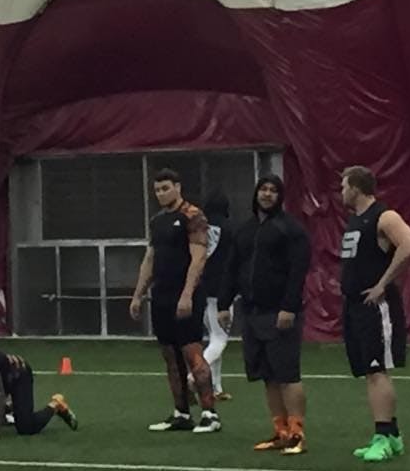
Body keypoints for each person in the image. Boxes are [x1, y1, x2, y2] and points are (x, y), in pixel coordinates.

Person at [217, 174, 310, 455]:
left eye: (273, 190)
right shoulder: (244, 230)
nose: (267, 194)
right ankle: (280, 431)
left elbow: (298, 270)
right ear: (256, 193)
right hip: (252, 313)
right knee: (268, 376)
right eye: (263, 189)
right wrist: (223, 304)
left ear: (280, 196)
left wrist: (289, 307)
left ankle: (297, 434)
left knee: (287, 375)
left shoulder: (290, 229)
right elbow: (231, 268)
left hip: (280, 313)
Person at [130, 168, 220, 434]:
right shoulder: (157, 221)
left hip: (186, 296)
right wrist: (138, 294)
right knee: (169, 355)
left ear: (178, 187)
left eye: (165, 188)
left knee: (192, 352)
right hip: (162, 295)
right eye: (157, 190)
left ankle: (210, 414)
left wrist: (187, 294)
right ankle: (181, 413)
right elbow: (150, 259)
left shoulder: (193, 216)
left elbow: (198, 258)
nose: (161, 194)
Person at [339, 166, 410, 462]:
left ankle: (382, 436)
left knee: (377, 371)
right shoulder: (355, 220)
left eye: (344, 186)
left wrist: (382, 284)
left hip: (375, 306)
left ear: (356, 188)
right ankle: (393, 435)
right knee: (369, 371)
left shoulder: (384, 216)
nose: (341, 192)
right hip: (355, 305)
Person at [192, 189, 234, 401]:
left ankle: (216, 387)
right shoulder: (229, 229)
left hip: (202, 288)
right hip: (222, 291)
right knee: (220, 339)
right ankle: (194, 376)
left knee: (212, 336)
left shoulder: (201, 227)